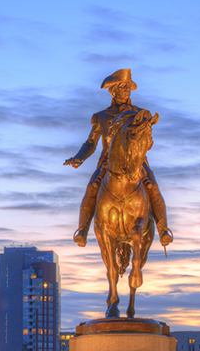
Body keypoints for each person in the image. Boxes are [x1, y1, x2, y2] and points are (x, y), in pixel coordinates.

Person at [65, 69, 173, 247]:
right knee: (92, 186)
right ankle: (82, 230)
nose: (127, 90)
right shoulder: (102, 117)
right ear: (113, 90)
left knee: (152, 186)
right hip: (109, 163)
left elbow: (147, 139)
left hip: (136, 162)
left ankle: (163, 229)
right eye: (123, 87)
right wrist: (78, 158)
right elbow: (91, 143)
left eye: (129, 87)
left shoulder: (140, 114)